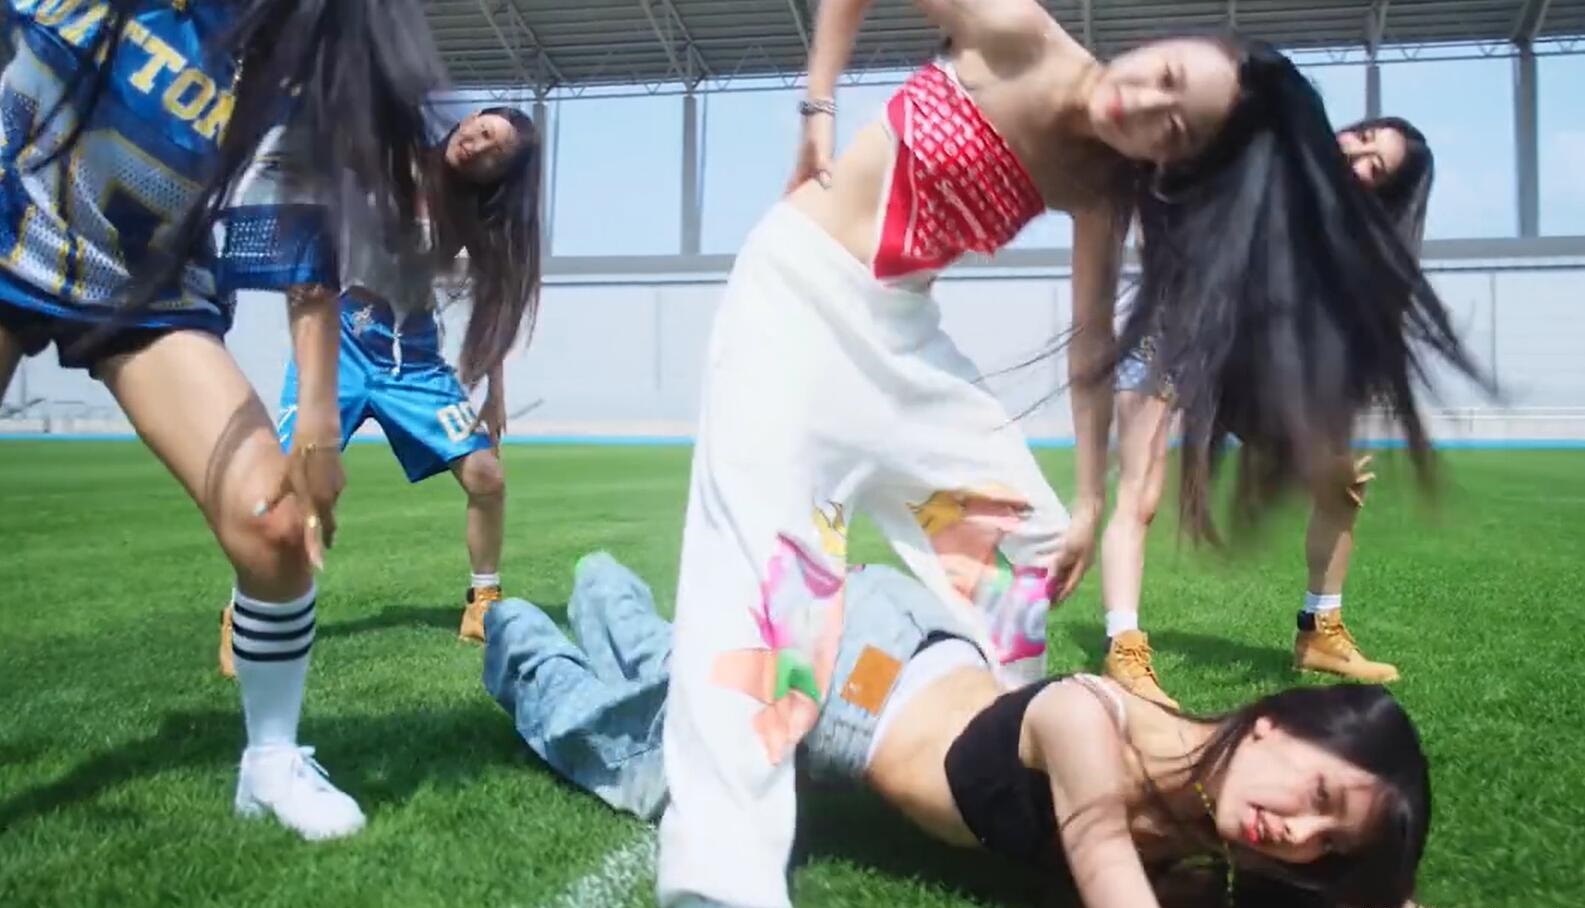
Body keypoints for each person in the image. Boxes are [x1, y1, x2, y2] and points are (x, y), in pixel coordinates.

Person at [658, 0, 1479, 901]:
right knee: (757, 581)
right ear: (1167, 42)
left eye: (1174, 129)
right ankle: (719, 876)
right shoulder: (1020, 34)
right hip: (793, 297)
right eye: (1166, 76)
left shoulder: (1100, 180)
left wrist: (1088, 498)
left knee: (1035, 546)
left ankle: (995, 737)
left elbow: (1091, 342)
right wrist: (816, 109)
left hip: (896, 339)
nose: (1143, 103)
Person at [0, 0, 455, 840]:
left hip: (145, 288)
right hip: (9, 226)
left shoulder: (291, 51)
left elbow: (299, 237)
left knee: (276, 524)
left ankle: (271, 763)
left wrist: (316, 428)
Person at [485, 553, 1431, 908]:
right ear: (1269, 725)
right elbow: (1110, 879)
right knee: (635, 759)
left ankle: (605, 586)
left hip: (912, 650)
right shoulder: (1089, 724)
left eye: (1326, 845)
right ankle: (519, 631)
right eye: (1317, 795)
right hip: (852, 674)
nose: (1297, 833)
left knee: (672, 680)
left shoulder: (1202, 826)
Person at [1099, 117, 1436, 707]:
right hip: (1167, 336)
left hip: (1245, 364)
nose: (1354, 154)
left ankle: (1320, 629)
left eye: (1374, 166)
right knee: (1140, 494)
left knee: (1343, 484)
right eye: (1362, 138)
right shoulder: (1270, 155)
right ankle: (1122, 646)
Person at [215, 105, 545, 677]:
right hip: (339, 343)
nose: (477, 144)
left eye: (494, 152)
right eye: (480, 129)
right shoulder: (395, 162)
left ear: (500, 176)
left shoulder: (477, 219)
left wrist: (494, 395)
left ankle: (483, 602)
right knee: (284, 488)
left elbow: (495, 310)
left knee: (486, 476)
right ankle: (245, 617)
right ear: (467, 119)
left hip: (412, 358)